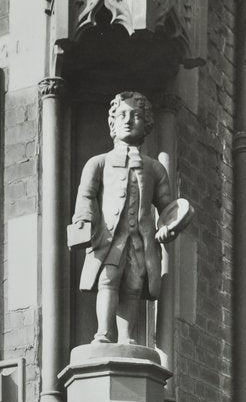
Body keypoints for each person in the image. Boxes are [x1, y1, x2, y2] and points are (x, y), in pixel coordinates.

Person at [70, 91, 178, 344]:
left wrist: (171, 225)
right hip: (109, 238)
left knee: (133, 285)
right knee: (108, 281)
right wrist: (84, 221)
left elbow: (167, 207)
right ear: (112, 122)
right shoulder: (98, 162)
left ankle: (126, 337)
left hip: (140, 240)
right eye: (122, 115)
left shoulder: (154, 168)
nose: (128, 120)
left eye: (136, 116)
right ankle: (103, 333)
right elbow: (85, 196)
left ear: (147, 124)